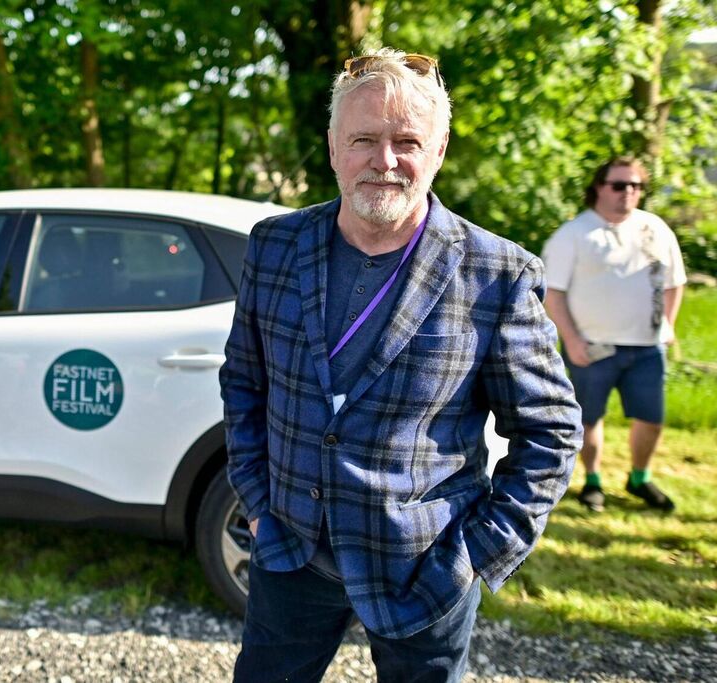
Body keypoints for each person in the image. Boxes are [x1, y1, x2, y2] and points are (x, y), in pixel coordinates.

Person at [219, 48, 582, 682]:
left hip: (427, 567)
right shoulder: (274, 246)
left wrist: (479, 551)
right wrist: (256, 500)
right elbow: (243, 383)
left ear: (438, 151)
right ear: (333, 148)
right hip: (290, 549)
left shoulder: (496, 273)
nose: (384, 161)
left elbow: (551, 431)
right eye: (364, 139)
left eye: (406, 141)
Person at [542, 157, 687, 513]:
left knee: (651, 419)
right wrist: (572, 341)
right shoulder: (574, 234)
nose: (629, 193)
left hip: (647, 347)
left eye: (636, 186)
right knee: (589, 418)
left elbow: (674, 283)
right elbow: (553, 294)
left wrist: (668, 324)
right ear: (598, 189)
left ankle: (639, 478)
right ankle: (592, 482)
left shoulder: (656, 229)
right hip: (592, 347)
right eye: (620, 185)